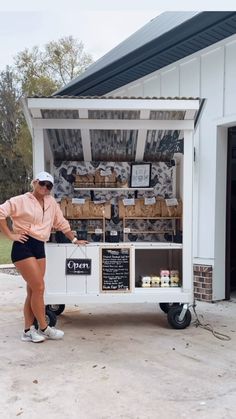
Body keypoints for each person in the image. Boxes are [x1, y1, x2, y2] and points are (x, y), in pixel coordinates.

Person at [0, 171, 88, 343]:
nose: (45, 188)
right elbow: (1, 212)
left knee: (33, 290)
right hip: (23, 246)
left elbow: (61, 223)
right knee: (39, 287)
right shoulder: (21, 200)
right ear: (34, 183)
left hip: (39, 246)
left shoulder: (51, 203)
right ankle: (44, 327)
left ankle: (27, 330)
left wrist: (74, 239)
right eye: (42, 184)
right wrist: (10, 235)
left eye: (49, 186)